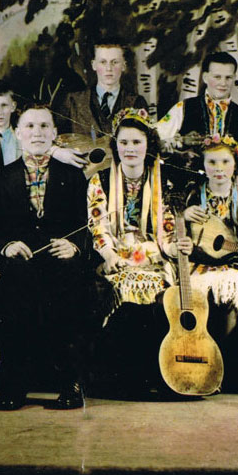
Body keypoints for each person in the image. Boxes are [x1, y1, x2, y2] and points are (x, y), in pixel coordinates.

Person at [0, 104, 98, 410]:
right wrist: (7, 245)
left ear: (55, 134)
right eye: (30, 127)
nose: (37, 133)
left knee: (68, 280)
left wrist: (74, 246)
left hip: (58, 259)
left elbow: (86, 226)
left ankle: (70, 383)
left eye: (44, 126)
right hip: (20, 261)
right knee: (17, 283)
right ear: (18, 133)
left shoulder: (74, 177)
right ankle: (13, 385)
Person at [87, 107, 188, 395]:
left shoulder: (164, 180)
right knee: (118, 299)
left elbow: (167, 231)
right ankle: (120, 378)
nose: (130, 149)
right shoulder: (100, 180)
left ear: (149, 145)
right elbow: (98, 227)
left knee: (159, 299)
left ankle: (155, 377)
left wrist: (174, 246)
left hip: (153, 257)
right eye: (124, 143)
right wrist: (110, 257)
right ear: (115, 146)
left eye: (137, 142)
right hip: (116, 256)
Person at [183, 134, 238, 350]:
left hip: (234, 263)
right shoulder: (192, 195)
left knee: (232, 292)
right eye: (212, 162)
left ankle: (224, 358)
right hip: (197, 262)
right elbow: (174, 225)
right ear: (203, 165)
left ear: (235, 165)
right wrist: (184, 215)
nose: (219, 168)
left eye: (225, 162)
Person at [157, 52, 238, 190]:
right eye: (217, 77)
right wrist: (180, 142)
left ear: (234, 78)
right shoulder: (183, 108)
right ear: (205, 77)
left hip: (226, 196)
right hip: (188, 193)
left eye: (228, 78)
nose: (223, 83)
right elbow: (154, 140)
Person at [56, 40, 148, 138]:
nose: (109, 68)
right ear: (94, 65)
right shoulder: (72, 101)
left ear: (123, 66)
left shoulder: (136, 103)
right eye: (103, 62)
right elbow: (56, 138)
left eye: (115, 62)